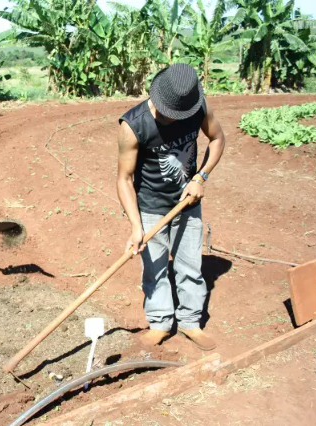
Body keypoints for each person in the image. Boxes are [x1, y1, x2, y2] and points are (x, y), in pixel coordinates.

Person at [116, 63, 226, 350]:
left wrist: (200, 177)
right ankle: (160, 323)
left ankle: (190, 322)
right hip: (150, 206)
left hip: (187, 202)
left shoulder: (198, 108)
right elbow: (124, 179)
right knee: (154, 270)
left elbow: (217, 139)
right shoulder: (133, 125)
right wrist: (136, 226)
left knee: (190, 264)